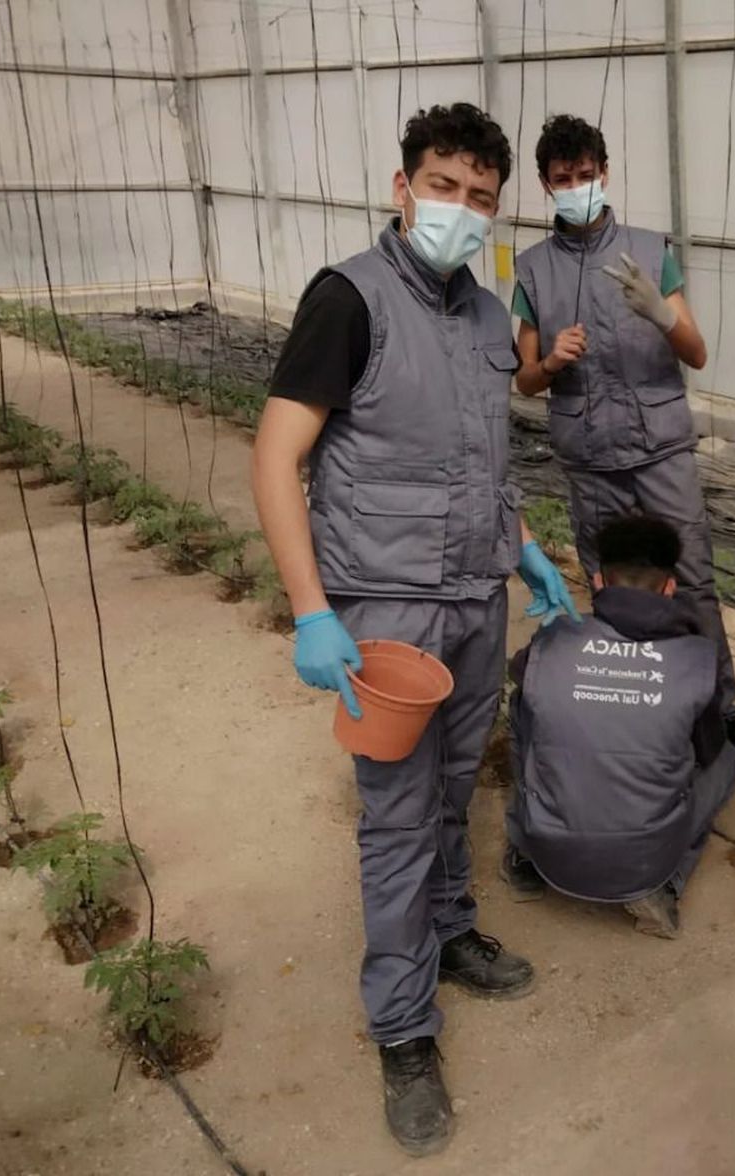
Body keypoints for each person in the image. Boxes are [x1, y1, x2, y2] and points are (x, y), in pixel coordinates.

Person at [251, 103, 578, 1158]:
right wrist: (311, 612)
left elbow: (476, 456)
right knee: (394, 816)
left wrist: (521, 541)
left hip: (476, 596)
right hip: (385, 608)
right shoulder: (349, 300)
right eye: (444, 188)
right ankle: (401, 1028)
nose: (461, 210)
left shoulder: (489, 319)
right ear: (403, 188)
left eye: (481, 199)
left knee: (450, 787)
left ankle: (449, 933)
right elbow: (274, 457)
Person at [511, 113, 735, 773]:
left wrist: (661, 310)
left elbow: (697, 352)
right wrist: (552, 362)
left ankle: (719, 714)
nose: (577, 187)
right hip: (590, 458)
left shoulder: (652, 249)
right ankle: (634, 713)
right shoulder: (533, 270)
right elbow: (525, 379)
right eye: (563, 179)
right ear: (546, 185)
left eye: (586, 174)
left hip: (659, 452)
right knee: (613, 589)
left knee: (692, 583)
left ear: (605, 172)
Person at [498, 515, 735, 938]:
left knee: (525, 707)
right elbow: (706, 750)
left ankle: (526, 852)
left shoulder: (553, 639)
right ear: (670, 588)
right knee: (728, 761)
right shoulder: (697, 658)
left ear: (597, 581)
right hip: (644, 858)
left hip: (550, 847)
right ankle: (663, 885)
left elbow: (522, 678)